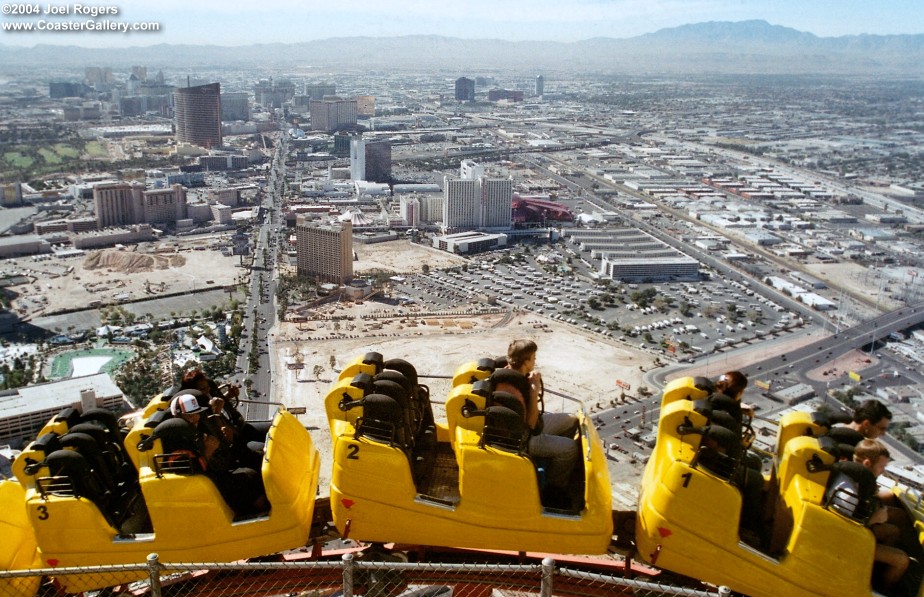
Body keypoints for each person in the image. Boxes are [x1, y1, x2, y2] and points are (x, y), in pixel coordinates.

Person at [496, 339, 579, 509]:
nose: (535, 361)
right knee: (570, 448)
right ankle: (554, 486)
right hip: (525, 439)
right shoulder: (512, 390)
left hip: (527, 427)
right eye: (533, 358)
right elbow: (532, 426)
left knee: (571, 420)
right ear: (525, 362)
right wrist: (534, 392)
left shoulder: (511, 373)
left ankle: (553, 457)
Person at [170, 392, 267, 517]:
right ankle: (258, 513)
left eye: (196, 413)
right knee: (248, 478)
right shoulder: (177, 441)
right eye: (189, 415)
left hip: (220, 470)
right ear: (178, 416)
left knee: (256, 460)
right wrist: (208, 452)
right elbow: (192, 475)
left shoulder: (198, 429)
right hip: (207, 484)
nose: (194, 418)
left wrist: (228, 441)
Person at [706, 371, 766, 543]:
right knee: (756, 480)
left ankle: (744, 507)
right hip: (716, 461)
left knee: (755, 461)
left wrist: (741, 407)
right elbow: (720, 444)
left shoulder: (716, 400)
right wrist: (740, 445)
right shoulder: (724, 414)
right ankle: (747, 527)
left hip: (718, 454)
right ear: (738, 392)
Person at [854, 439, 910, 592]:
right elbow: (846, 523)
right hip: (852, 538)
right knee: (901, 560)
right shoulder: (852, 486)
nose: (883, 470)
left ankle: (875, 571)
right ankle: (881, 590)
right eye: (882, 466)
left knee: (893, 531)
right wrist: (874, 519)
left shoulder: (860, 478)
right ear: (867, 463)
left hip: (859, 530)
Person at [828, 400, 892, 447]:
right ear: (866, 424)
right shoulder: (849, 446)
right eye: (881, 428)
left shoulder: (836, 427)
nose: (883, 434)